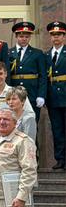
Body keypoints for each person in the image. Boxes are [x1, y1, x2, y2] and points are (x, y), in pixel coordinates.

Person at [5, 86, 37, 207]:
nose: (11, 102)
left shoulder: (29, 118)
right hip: (9, 171)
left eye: (14, 99)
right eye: (9, 99)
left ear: (23, 101)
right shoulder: (7, 118)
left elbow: (29, 144)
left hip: (23, 169)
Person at [8, 22, 47, 121]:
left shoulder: (37, 53)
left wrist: (41, 95)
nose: (24, 39)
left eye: (27, 36)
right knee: (13, 122)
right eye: (21, 36)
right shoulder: (9, 53)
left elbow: (43, 76)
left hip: (32, 92)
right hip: (14, 93)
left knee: (32, 122)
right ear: (16, 36)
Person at [44, 21, 65, 170]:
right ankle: (60, 159)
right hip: (53, 97)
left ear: (64, 36)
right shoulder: (46, 55)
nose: (55, 37)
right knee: (57, 129)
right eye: (53, 35)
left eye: (58, 34)